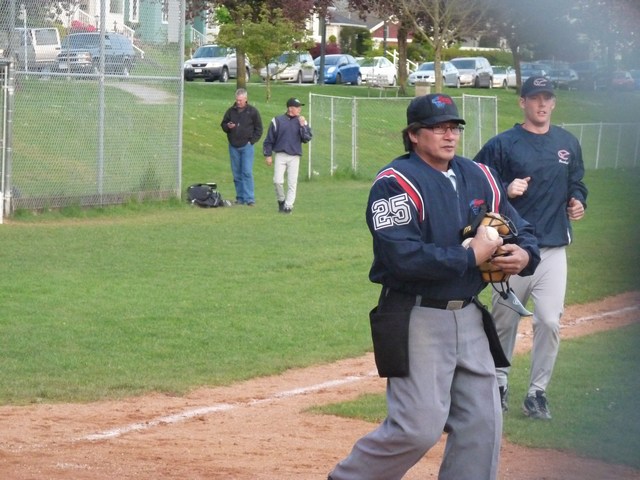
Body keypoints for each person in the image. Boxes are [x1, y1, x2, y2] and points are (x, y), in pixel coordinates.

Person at [328, 94, 539, 480]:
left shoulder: (480, 175)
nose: (449, 135)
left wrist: (524, 254)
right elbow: (401, 256)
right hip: (417, 314)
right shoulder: (395, 183)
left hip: (470, 315)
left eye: (454, 127)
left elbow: (518, 226)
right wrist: (469, 257)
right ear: (413, 135)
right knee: (417, 428)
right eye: (438, 128)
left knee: (483, 426)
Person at [474, 76, 588, 420]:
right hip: (511, 250)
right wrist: (505, 189)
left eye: (547, 98)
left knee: (549, 322)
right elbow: (476, 184)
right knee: (504, 321)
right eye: (535, 98)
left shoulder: (567, 143)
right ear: (522, 102)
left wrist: (577, 200)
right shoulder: (503, 144)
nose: (541, 104)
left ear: (553, 102)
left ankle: (537, 393)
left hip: (552, 249)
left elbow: (577, 182)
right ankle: (498, 385)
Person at [263, 97, 313, 214]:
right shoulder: (277, 120)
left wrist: (303, 126)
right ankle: (281, 200)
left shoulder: (302, 121)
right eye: (297, 107)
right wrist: (268, 155)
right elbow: (269, 139)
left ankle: (288, 206)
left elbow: (307, 138)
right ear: (290, 108)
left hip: (294, 156)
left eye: (300, 107)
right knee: (277, 181)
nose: (299, 109)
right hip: (280, 154)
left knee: (292, 183)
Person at [220, 88, 263, 206]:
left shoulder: (253, 112)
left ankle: (250, 199)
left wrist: (252, 141)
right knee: (236, 173)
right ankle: (240, 198)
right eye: (237, 100)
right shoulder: (230, 111)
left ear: (246, 99)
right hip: (233, 146)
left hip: (247, 146)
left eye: (240, 100)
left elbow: (259, 129)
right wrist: (228, 126)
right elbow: (223, 125)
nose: (238, 102)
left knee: (247, 172)